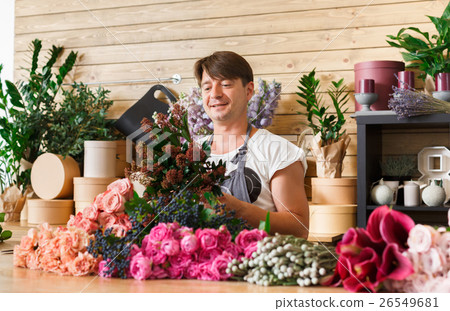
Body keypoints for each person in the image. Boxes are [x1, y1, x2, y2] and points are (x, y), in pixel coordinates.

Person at [194, 51, 309, 238]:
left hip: (255, 264)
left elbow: (299, 228)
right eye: (207, 88)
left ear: (248, 91)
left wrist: (241, 210)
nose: (215, 94)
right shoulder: (189, 153)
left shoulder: (277, 150)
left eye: (225, 84)